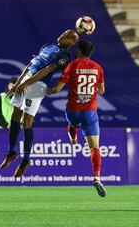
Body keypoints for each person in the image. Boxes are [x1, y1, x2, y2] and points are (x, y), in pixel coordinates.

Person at [0, 29, 79, 178]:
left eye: (68, 36)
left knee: (27, 121)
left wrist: (27, 83)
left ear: (72, 42)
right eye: (64, 32)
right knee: (15, 116)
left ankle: (26, 160)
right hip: (26, 79)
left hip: (37, 85)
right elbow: (30, 64)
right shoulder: (47, 46)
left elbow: (48, 69)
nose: (63, 35)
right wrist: (19, 83)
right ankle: (11, 153)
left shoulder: (65, 55)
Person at [46, 40, 106, 197]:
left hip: (73, 110)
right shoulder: (98, 68)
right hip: (90, 112)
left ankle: (73, 137)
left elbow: (57, 88)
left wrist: (47, 91)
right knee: (94, 148)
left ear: (78, 51)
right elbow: (101, 90)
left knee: (73, 124)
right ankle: (97, 178)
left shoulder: (72, 65)